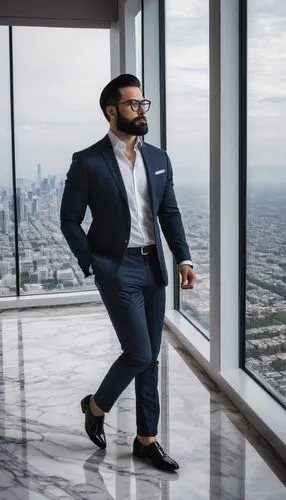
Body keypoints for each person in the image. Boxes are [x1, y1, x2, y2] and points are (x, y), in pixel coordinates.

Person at [60, 74, 196, 471]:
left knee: (149, 358)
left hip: (154, 267)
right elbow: (70, 220)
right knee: (138, 351)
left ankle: (146, 439)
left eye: (143, 104)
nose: (141, 110)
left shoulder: (159, 159)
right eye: (133, 104)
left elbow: (169, 213)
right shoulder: (87, 161)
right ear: (111, 111)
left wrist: (184, 258)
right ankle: (96, 406)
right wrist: (94, 263)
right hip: (117, 269)